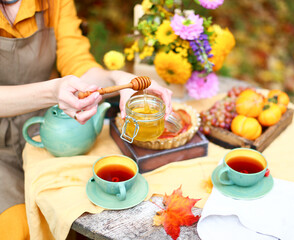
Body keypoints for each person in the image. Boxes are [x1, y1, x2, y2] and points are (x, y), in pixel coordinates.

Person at [0, 0, 172, 239]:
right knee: (18, 228)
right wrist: (52, 91)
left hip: (50, 134)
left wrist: (117, 78)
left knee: (79, 215)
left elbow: (79, 64)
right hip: (2, 152)